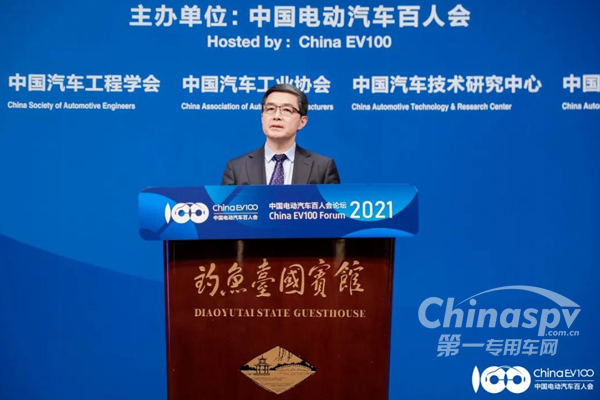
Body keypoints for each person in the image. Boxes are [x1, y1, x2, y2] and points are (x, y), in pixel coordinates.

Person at [221, 84, 340, 185]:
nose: (276, 116)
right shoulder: (237, 168)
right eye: (270, 109)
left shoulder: (322, 168)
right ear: (262, 118)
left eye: (286, 110)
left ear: (302, 122)